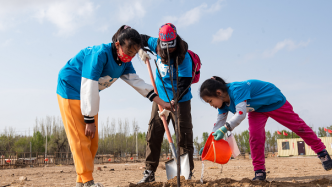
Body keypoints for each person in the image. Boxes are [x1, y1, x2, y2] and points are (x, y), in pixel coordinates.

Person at [56, 25, 171, 187]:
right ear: (117, 44)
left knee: (92, 140)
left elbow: (138, 84)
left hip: (90, 95)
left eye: (133, 54)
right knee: (80, 137)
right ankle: (88, 182)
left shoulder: (124, 63)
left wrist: (163, 103)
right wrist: (89, 120)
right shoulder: (99, 54)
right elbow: (88, 84)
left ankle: (81, 182)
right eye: (128, 52)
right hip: (71, 88)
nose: (130, 57)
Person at [199, 76, 332, 181]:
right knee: (255, 138)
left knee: (299, 127)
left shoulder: (236, 89)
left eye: (210, 101)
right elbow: (218, 125)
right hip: (256, 110)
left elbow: (240, 114)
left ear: (218, 93)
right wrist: (209, 145)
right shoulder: (222, 104)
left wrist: (226, 128)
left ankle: (322, 153)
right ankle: (259, 172)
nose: (211, 105)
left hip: (273, 101)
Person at [137, 23, 194, 183]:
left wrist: (174, 101)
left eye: (171, 46)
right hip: (160, 98)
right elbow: (138, 38)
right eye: (165, 46)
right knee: (154, 133)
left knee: (183, 136)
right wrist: (140, 50)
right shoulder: (155, 44)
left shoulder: (184, 57)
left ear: (176, 41)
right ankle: (149, 172)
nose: (168, 50)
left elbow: (184, 84)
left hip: (180, 100)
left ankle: (187, 174)